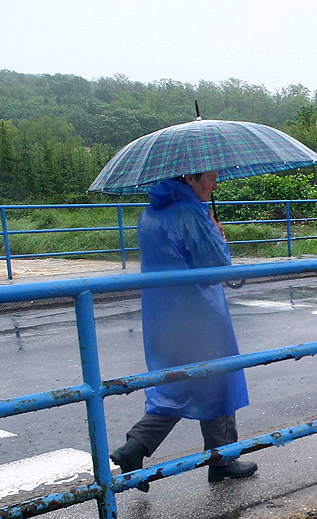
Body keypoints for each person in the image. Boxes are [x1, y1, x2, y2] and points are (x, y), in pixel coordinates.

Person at [109, 171, 257, 491]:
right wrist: (217, 234)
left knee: (181, 385)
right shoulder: (189, 213)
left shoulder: (150, 214)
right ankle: (220, 459)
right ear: (190, 177)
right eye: (211, 178)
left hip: (164, 315)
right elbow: (215, 266)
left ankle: (139, 448)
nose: (215, 185)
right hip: (199, 314)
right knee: (215, 380)